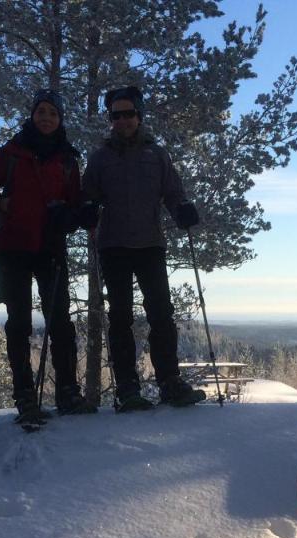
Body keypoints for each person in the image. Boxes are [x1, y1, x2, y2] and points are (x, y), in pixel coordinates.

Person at [0, 88, 98, 423]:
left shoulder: (69, 160)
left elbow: (76, 203)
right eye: (41, 111)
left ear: (60, 120)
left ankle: (68, 392)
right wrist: (3, 204)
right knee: (19, 324)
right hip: (13, 249)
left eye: (52, 113)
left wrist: (72, 217)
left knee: (60, 322)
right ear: (33, 115)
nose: (46, 118)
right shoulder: (12, 153)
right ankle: (25, 395)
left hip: (51, 247)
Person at [81, 85, 205, 411]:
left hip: (150, 243)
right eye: (116, 115)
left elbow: (172, 192)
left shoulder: (157, 154)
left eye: (128, 113)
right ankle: (128, 389)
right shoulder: (100, 157)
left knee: (161, 315)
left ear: (139, 115)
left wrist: (182, 210)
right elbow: (87, 193)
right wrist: (87, 207)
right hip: (114, 245)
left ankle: (169, 382)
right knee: (120, 318)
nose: (122, 120)